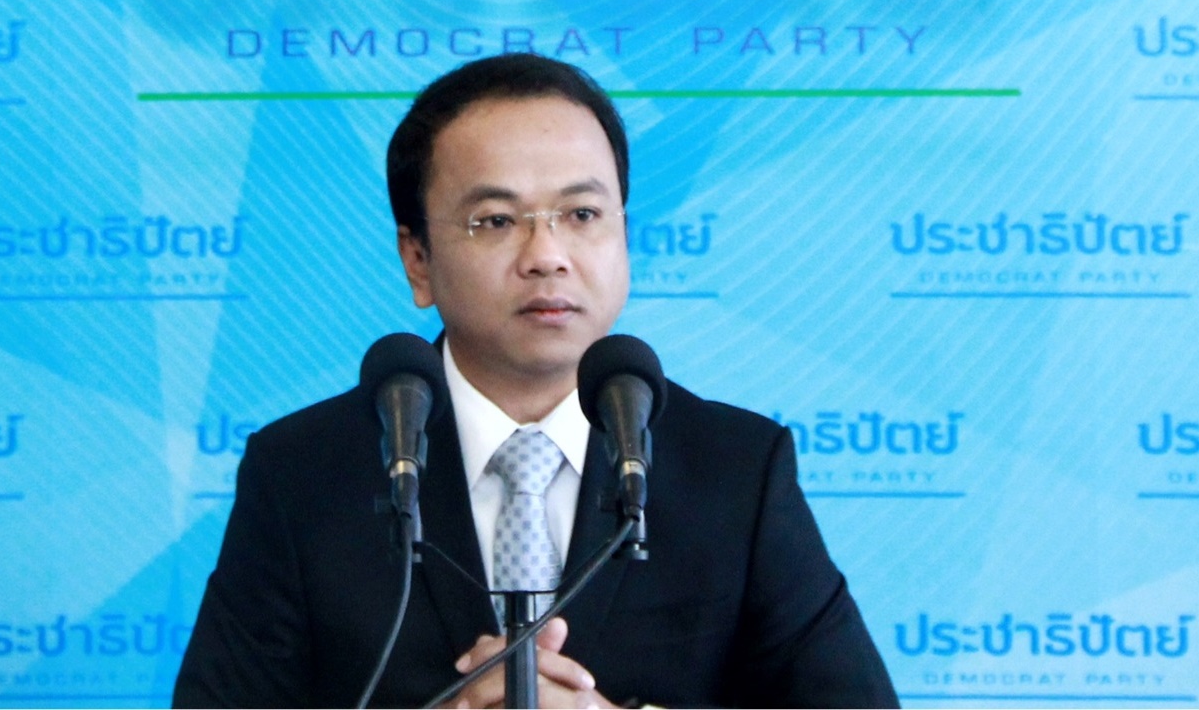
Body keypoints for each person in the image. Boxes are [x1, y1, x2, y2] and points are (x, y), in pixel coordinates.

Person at [173, 53, 898, 708]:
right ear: (418, 260)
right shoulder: (302, 474)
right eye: (495, 220)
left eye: (582, 214)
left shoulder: (736, 468)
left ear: (623, 233)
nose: (547, 254)